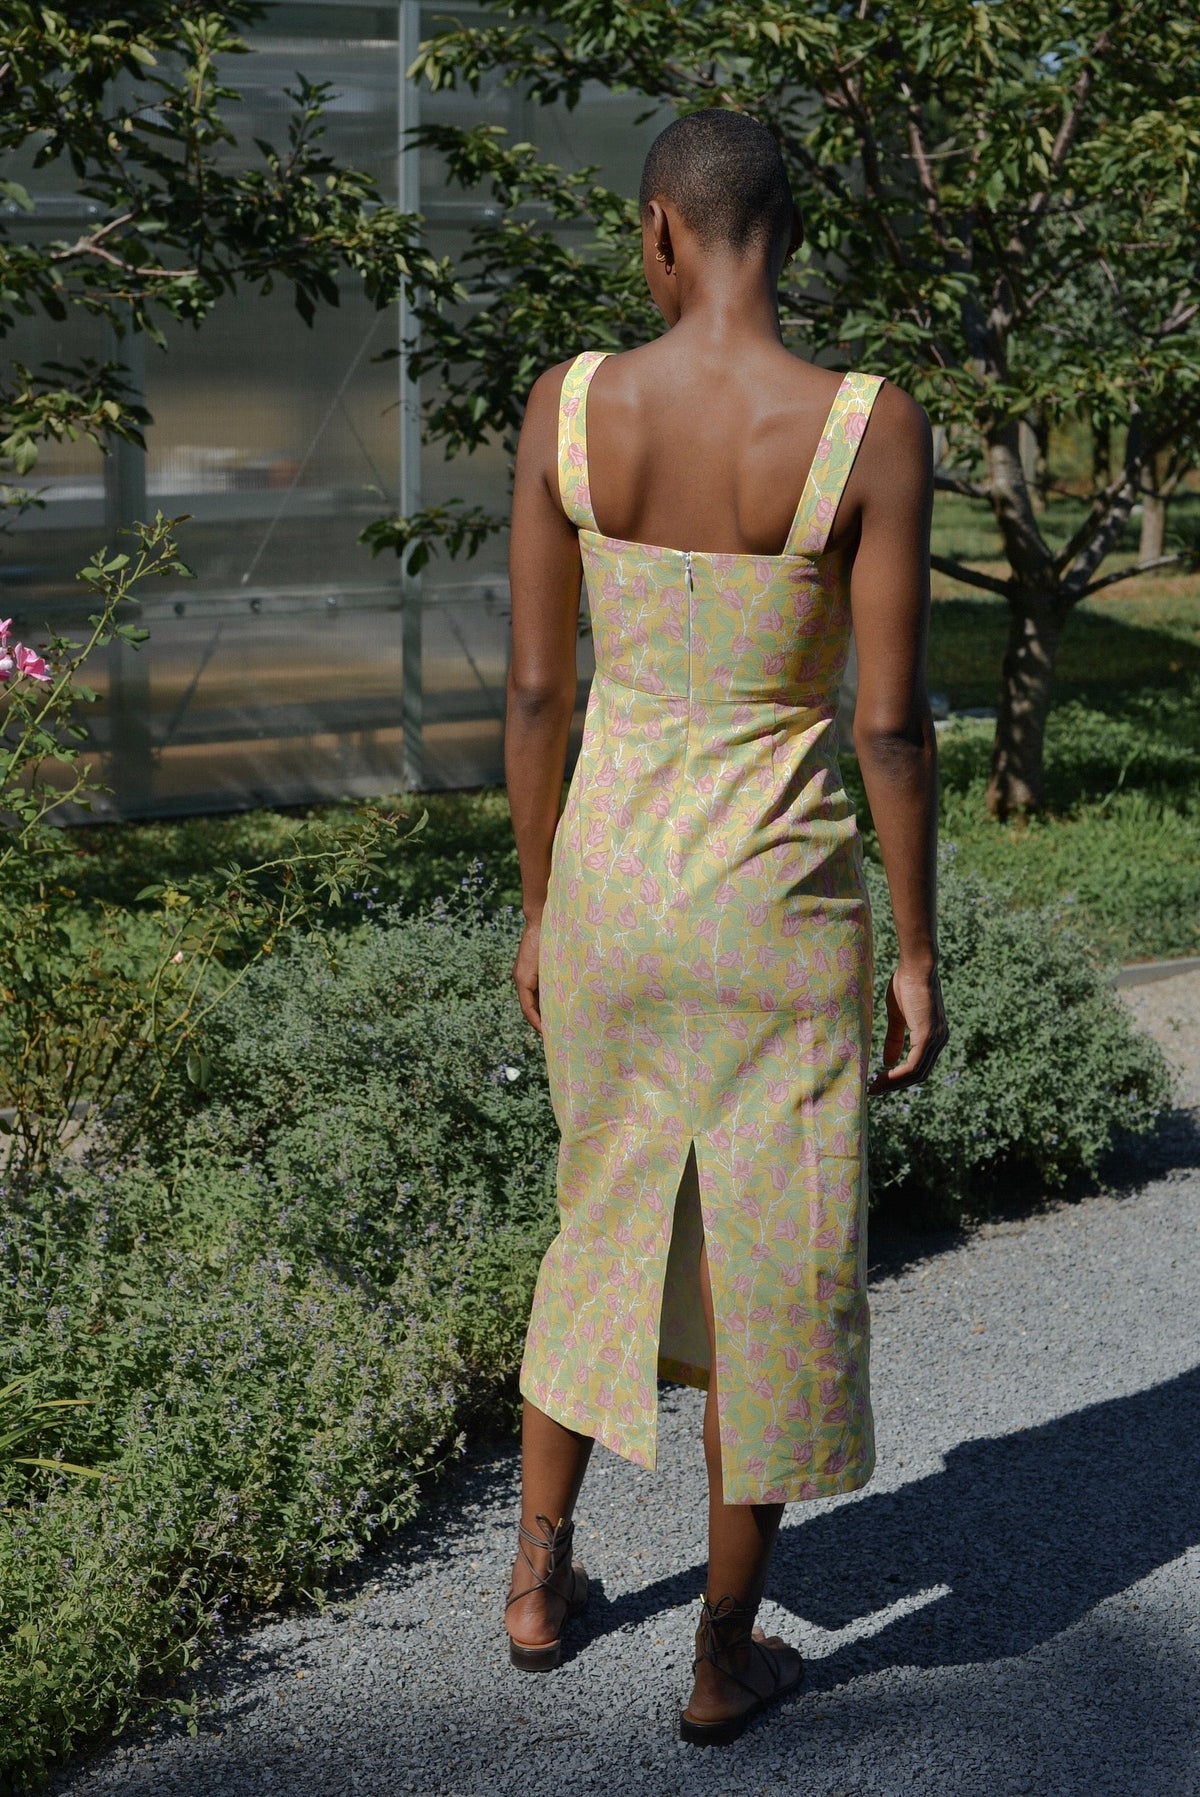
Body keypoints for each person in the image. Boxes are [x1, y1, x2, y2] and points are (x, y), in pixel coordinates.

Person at [502, 108, 947, 1746]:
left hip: (613, 884)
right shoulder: (869, 427)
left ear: (659, 235)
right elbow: (891, 728)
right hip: (778, 897)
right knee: (772, 1255)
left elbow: (543, 688)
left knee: (603, 1212)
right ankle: (721, 1647)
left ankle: (540, 1576)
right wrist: (913, 948)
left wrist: (541, 905)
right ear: (786, 238)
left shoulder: (569, 405)